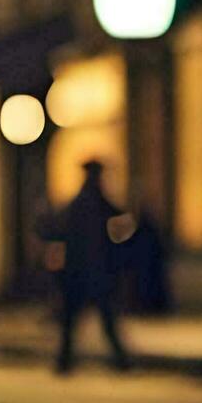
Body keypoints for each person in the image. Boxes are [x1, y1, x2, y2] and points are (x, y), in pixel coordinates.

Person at [43, 160, 131, 374]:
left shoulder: (83, 204)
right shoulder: (94, 204)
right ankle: (118, 362)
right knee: (94, 320)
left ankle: (66, 363)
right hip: (90, 272)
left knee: (77, 322)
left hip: (84, 272)